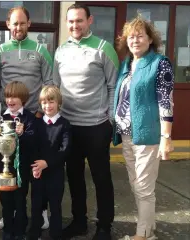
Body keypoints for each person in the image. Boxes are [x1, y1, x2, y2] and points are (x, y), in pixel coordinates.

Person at [53, 4, 119, 240]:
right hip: (69, 126)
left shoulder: (104, 49)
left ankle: (104, 226)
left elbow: (114, 87)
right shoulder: (60, 51)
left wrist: (110, 121)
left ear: (89, 20)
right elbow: (55, 86)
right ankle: (79, 221)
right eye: (70, 21)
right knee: (75, 177)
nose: (74, 25)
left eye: (79, 20)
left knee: (101, 177)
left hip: (96, 126)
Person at [0, 6, 52, 230]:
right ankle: (10, 212)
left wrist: (39, 113)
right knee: (6, 165)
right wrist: (1, 115)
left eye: (22, 23)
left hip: (34, 117)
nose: (18, 27)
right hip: (7, 121)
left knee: (34, 169)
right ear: (8, 25)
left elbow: (49, 83)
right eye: (14, 23)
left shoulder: (40, 51)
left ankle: (41, 211)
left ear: (29, 24)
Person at [113, 16, 174, 240]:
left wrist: (166, 137)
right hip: (128, 135)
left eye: (140, 35)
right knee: (136, 184)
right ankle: (150, 228)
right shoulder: (127, 64)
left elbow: (166, 101)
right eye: (131, 36)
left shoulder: (160, 63)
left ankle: (144, 235)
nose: (135, 40)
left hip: (147, 135)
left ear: (150, 39)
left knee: (144, 187)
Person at [0, 81, 36, 240]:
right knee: (5, 199)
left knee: (20, 198)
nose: (10, 100)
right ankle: (8, 231)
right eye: (7, 97)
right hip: (3, 165)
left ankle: (20, 230)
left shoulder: (28, 117)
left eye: (14, 97)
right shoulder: (1, 117)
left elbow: (33, 140)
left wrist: (22, 134)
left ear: (23, 99)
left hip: (21, 166)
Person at [28, 85, 71, 240]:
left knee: (55, 206)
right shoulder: (37, 123)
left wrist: (47, 163)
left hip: (56, 173)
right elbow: (33, 147)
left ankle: (55, 234)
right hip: (37, 171)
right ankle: (34, 233)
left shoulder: (64, 124)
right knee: (36, 205)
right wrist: (35, 166)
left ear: (58, 103)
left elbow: (64, 150)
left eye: (51, 102)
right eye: (44, 102)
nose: (48, 106)